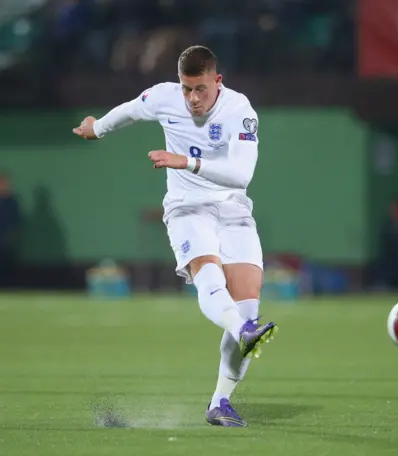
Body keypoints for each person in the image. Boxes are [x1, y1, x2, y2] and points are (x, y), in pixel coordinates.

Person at [72, 45, 278, 428]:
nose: (193, 98)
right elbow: (132, 109)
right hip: (187, 208)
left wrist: (188, 161)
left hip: (233, 211)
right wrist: (96, 128)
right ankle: (243, 332)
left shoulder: (239, 110)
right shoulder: (165, 97)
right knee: (211, 280)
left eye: (200, 88)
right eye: (187, 89)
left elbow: (242, 175)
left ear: (217, 81)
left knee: (248, 307)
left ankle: (220, 401)